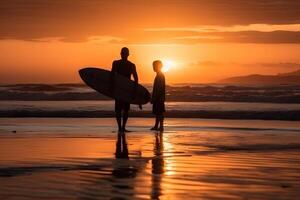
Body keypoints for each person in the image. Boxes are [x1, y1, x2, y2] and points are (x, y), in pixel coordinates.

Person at [111, 47, 138, 132]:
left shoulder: (117, 63)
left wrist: (111, 88)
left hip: (120, 90)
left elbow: (111, 76)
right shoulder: (130, 65)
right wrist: (134, 91)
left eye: (124, 53)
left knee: (121, 110)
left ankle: (121, 127)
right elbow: (136, 79)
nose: (123, 55)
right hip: (125, 90)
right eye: (123, 53)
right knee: (123, 110)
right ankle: (121, 127)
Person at [150, 60, 166, 131]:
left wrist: (155, 97)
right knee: (157, 112)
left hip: (159, 97)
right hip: (159, 97)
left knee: (159, 112)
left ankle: (161, 126)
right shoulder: (159, 75)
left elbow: (159, 88)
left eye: (154, 66)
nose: (153, 67)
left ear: (158, 66)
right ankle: (156, 126)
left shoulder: (160, 75)